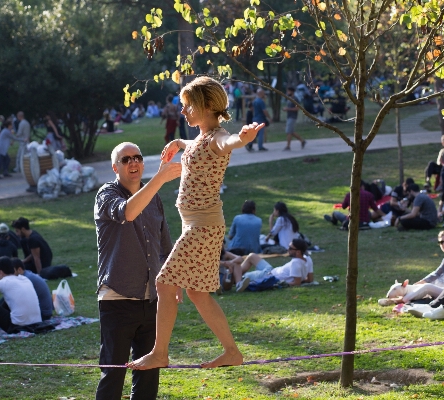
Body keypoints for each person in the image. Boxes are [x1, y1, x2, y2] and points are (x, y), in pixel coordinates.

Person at [128, 77, 264, 371]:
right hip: (199, 226)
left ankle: (159, 353)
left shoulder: (218, 137)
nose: (184, 111)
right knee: (197, 292)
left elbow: (227, 143)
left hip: (203, 227)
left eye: (188, 106)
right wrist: (178, 143)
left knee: (165, 283)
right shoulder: (202, 138)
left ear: (207, 106)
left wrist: (243, 138)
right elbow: (196, 145)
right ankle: (231, 352)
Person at [94, 141, 179, 400]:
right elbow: (127, 212)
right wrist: (160, 178)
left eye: (138, 157)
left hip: (152, 301)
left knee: (149, 376)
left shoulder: (154, 198)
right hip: (117, 299)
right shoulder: (106, 194)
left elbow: (165, 248)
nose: (133, 162)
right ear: (115, 167)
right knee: (113, 377)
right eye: (126, 159)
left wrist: (173, 283)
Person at [0, 256, 42, 332]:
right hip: (36, 322)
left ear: (0, 272)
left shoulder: (4, 282)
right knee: (7, 301)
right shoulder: (24, 279)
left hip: (16, 326)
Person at [235, 238, 309, 292]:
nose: (287, 249)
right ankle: (231, 275)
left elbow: (297, 283)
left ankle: (236, 282)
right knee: (252, 256)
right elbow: (303, 279)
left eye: (290, 248)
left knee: (242, 276)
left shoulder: (295, 263)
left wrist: (277, 283)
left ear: (298, 252)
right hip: (270, 270)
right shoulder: (306, 260)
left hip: (267, 276)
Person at [283, 87, 306, 151]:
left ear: (292, 91)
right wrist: (286, 108)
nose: (287, 93)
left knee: (288, 131)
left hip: (292, 117)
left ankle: (288, 146)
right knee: (291, 131)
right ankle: (302, 141)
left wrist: (288, 109)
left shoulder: (295, 99)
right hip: (289, 116)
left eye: (288, 91)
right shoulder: (289, 99)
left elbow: (297, 108)